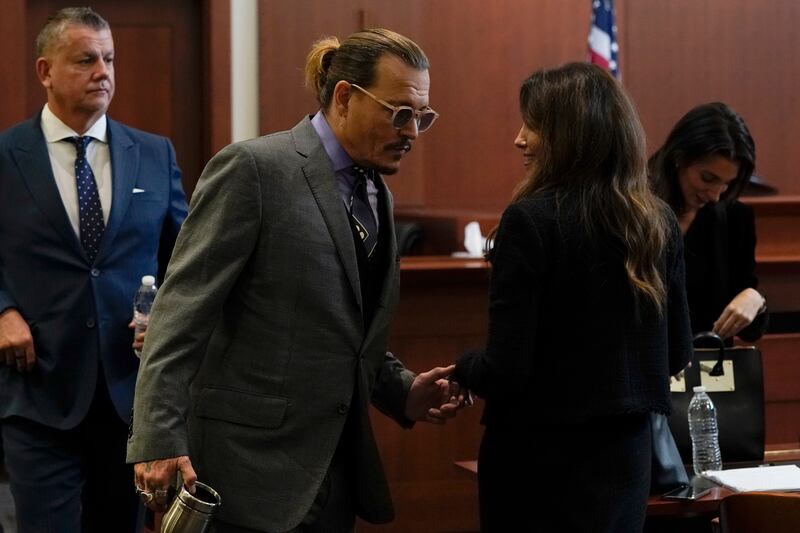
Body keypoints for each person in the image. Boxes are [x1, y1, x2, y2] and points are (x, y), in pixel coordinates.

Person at [127, 28, 463, 533]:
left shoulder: (378, 195)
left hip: (334, 475)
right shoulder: (254, 169)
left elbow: (347, 327)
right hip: (245, 474)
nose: (412, 131)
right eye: (399, 113)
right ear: (346, 97)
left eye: (422, 116)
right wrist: (157, 438)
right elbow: (179, 315)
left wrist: (402, 390)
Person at [451, 63, 693, 532]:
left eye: (534, 125)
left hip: (537, 460)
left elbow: (506, 369)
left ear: (571, 137)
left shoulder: (530, 220)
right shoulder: (659, 221)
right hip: (626, 459)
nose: (519, 139)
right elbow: (676, 354)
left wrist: (463, 368)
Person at [0, 7, 188, 533]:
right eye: (85, 60)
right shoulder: (6, 156)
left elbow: (189, 263)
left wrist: (165, 316)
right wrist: (2, 310)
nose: (103, 72)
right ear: (45, 71)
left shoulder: (153, 153)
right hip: (38, 390)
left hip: (130, 394)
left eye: (109, 59)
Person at [649, 102, 768, 343]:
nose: (715, 195)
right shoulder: (634, 211)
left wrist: (755, 300)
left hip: (709, 369)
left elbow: (749, 331)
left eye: (726, 184)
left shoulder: (734, 217)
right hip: (646, 370)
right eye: (707, 178)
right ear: (678, 158)